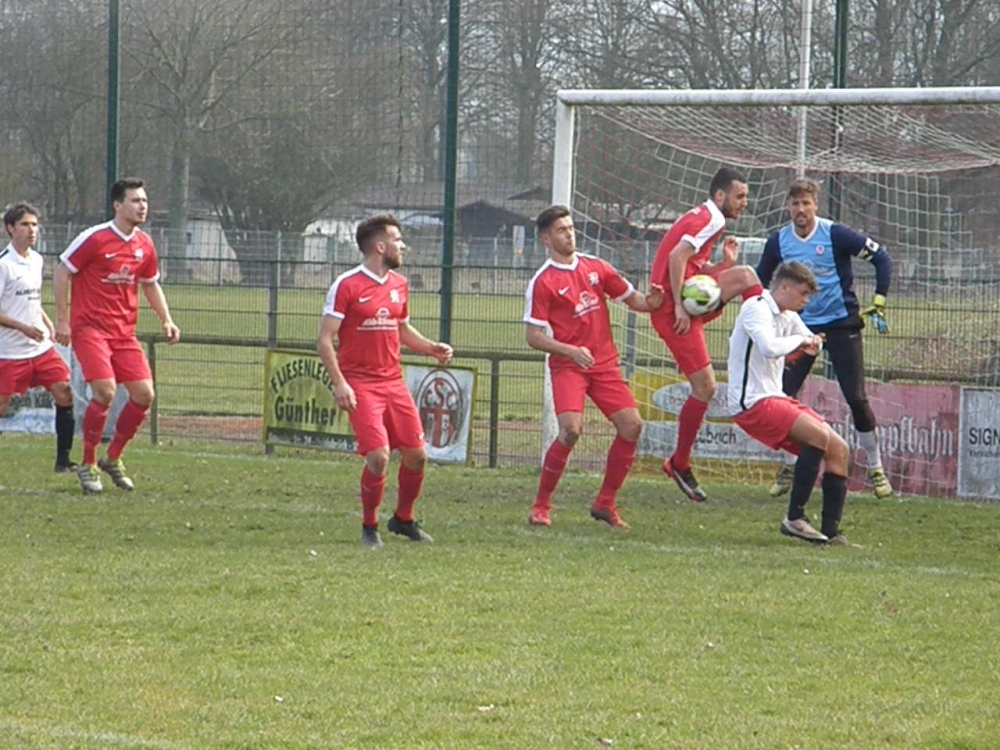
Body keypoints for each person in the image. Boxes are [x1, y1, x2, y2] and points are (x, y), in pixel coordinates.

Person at [317, 214, 453, 549]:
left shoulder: (399, 284)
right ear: (380, 246)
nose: (403, 245)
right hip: (361, 384)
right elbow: (324, 340)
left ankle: (403, 520)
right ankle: (369, 526)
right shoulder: (347, 285)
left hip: (393, 381)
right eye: (397, 239)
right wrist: (340, 384)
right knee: (378, 457)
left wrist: (430, 348)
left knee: (417, 455)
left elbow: (402, 329)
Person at [524, 205, 661, 530]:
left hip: (604, 365)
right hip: (568, 367)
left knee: (632, 426)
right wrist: (570, 351)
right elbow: (533, 337)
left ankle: (605, 503)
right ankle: (541, 506)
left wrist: (654, 301)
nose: (569, 234)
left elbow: (636, 301)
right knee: (571, 430)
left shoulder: (597, 267)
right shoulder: (542, 282)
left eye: (570, 228)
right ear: (546, 238)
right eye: (561, 230)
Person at [756, 178, 893, 499]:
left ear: (815, 205)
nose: (800, 209)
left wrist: (880, 299)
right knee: (781, 396)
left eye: (806, 203)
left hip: (841, 325)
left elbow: (881, 258)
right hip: (799, 329)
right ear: (788, 207)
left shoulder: (835, 234)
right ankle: (789, 466)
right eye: (795, 204)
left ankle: (876, 468)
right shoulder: (778, 242)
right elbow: (760, 282)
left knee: (856, 398)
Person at [53, 178, 181, 494]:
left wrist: (167, 319)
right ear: (117, 205)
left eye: (145, 201)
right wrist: (63, 320)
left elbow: (150, 283)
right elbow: (61, 271)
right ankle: (87, 464)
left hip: (124, 334)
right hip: (91, 330)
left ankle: (112, 458)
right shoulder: (94, 239)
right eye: (135, 200)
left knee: (143, 395)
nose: (142, 206)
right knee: (106, 392)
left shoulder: (145, 245)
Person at [649, 166, 762, 503]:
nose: (744, 203)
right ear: (720, 195)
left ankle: (765, 340)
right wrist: (680, 308)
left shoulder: (705, 216)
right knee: (706, 388)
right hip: (674, 312)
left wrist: (721, 265)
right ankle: (679, 463)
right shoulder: (711, 219)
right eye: (739, 196)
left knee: (743, 274)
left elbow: (694, 272)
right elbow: (675, 256)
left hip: (682, 302)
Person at [728, 261, 852, 545]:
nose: (805, 301)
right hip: (751, 401)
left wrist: (812, 342)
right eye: (803, 293)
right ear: (784, 287)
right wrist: (801, 341)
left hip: (775, 396)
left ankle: (831, 533)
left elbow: (810, 339)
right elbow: (769, 347)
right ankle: (794, 518)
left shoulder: (787, 314)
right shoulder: (756, 308)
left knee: (839, 450)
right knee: (818, 436)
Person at [0, 202, 76, 472]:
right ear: (11, 229)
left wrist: (48, 324)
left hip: (39, 348)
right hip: (10, 351)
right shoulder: (4, 265)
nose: (32, 230)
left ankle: (63, 462)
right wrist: (22, 327)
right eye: (24, 225)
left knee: (64, 393)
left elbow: (33, 301)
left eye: (34, 224)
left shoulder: (37, 259)